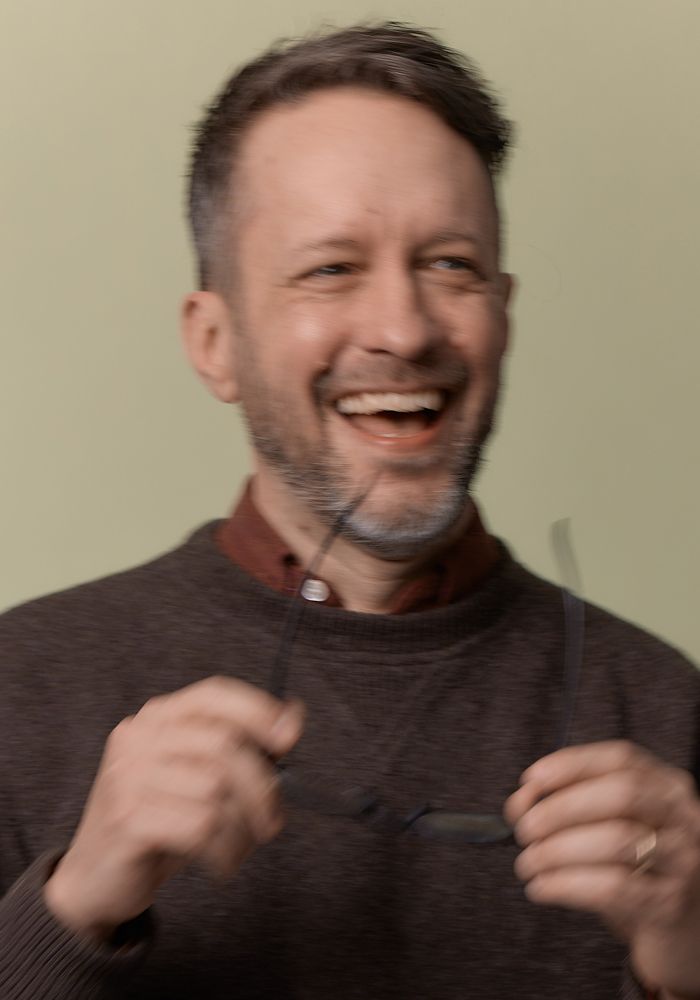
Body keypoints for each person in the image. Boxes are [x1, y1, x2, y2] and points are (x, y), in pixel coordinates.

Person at [0, 22, 698, 1000]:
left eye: (450, 264)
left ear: (503, 314)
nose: (403, 329)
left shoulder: (665, 713)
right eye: (330, 268)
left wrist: (687, 962)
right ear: (215, 342)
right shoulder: (20, 689)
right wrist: (71, 908)